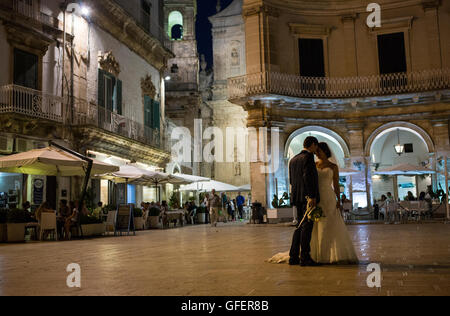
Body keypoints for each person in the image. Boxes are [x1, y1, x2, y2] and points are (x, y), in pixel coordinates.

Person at [269, 140, 358, 266]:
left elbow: (336, 185)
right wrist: (310, 196)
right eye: (316, 151)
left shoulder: (333, 167)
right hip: (314, 197)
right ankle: (312, 253)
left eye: (319, 151)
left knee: (327, 225)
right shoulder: (312, 163)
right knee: (312, 226)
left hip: (328, 196)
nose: (317, 154)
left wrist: (339, 199)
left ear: (325, 151)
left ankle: (326, 253)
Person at [288, 136, 321, 266]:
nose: (316, 149)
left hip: (297, 197)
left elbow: (291, 180)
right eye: (316, 146)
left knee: (299, 227)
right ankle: (305, 257)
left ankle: (293, 256)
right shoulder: (308, 157)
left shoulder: (293, 159)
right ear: (313, 144)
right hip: (307, 198)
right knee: (306, 228)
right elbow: (308, 177)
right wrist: (312, 196)